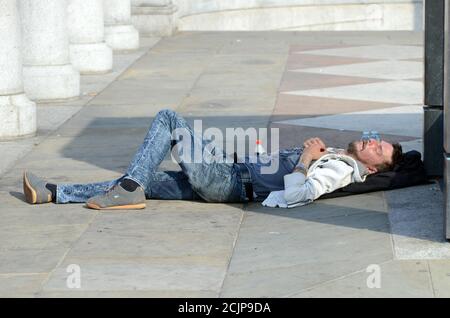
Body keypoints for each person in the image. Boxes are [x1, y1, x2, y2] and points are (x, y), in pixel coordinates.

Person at [23, 109, 403, 210]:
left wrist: (304, 158)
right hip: (232, 172)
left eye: (379, 149)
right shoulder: (339, 156)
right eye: (377, 140)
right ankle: (55, 192)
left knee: (170, 119)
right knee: (149, 180)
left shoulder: (340, 169)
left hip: (229, 183)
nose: (372, 142)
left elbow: (297, 196)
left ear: (371, 168)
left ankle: (128, 188)